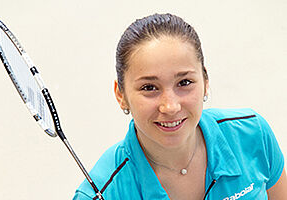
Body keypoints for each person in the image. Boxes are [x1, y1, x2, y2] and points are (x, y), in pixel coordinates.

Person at [73, 13, 286, 200]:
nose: (170, 106)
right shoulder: (100, 193)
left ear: (205, 82)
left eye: (184, 83)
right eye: (149, 87)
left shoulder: (252, 134)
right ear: (121, 94)